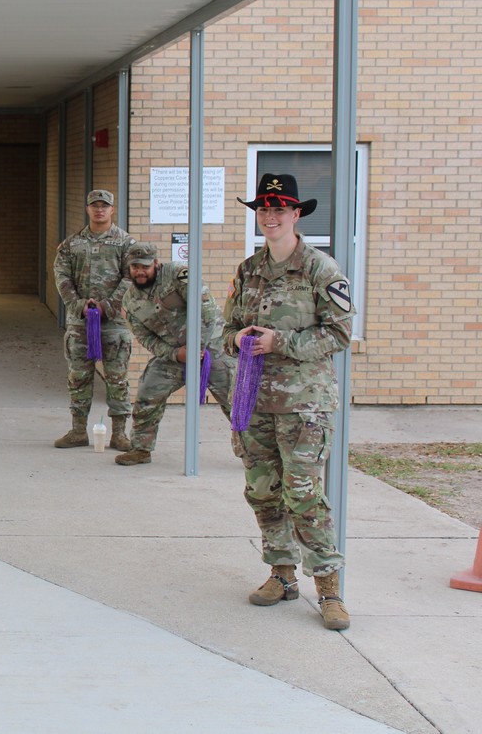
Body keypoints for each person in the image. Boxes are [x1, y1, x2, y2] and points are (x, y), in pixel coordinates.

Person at [223, 173, 355, 631]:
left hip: (305, 404)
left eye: (280, 209)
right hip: (254, 400)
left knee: (304, 495)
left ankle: (330, 589)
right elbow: (226, 331)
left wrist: (282, 341)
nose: (271, 216)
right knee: (263, 490)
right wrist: (237, 336)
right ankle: (281, 574)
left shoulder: (321, 268)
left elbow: (339, 332)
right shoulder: (248, 270)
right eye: (263, 209)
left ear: (297, 214)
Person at [116, 241, 235, 466]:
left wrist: (196, 348)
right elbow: (145, 338)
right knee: (147, 392)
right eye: (135, 267)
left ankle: (255, 455)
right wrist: (175, 354)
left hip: (213, 347)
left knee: (235, 402)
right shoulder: (130, 301)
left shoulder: (178, 274)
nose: (140, 271)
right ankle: (141, 449)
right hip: (176, 354)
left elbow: (206, 311)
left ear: (156, 264)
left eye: (145, 266)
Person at [52, 189, 136, 450]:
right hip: (81, 323)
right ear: (87, 209)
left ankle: (119, 433)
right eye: (94, 205)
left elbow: (132, 276)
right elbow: (61, 275)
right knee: (78, 377)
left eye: (104, 206)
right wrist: (78, 305)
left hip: (113, 323)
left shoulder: (126, 243)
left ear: (112, 209)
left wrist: (108, 305)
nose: (99, 210)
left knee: (117, 379)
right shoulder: (71, 244)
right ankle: (78, 431)